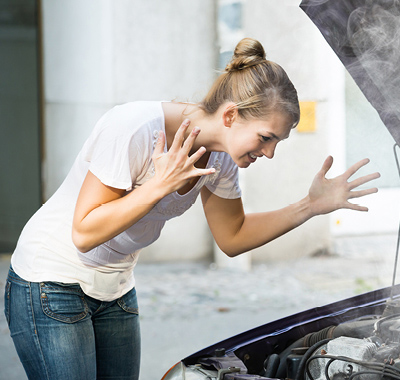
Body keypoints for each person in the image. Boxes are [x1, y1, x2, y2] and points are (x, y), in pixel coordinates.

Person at [3, 37, 379, 380]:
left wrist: (310, 206)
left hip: (114, 286)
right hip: (50, 282)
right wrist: (158, 186)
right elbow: (84, 232)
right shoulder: (134, 129)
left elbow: (233, 237)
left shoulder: (224, 160)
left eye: (276, 142)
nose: (269, 152)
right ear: (231, 116)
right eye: (266, 138)